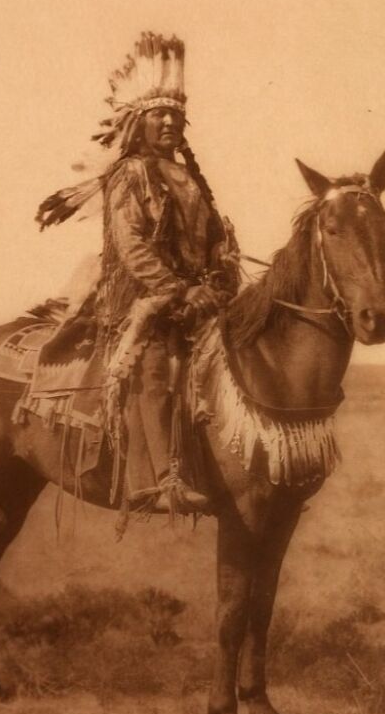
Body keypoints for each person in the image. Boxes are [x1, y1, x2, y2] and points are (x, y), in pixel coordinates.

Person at [36, 33, 239, 514]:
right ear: (137, 122)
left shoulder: (189, 178)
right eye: (158, 114)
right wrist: (178, 291)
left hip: (198, 298)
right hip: (143, 302)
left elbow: (214, 239)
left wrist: (220, 274)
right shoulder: (128, 175)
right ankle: (159, 480)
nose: (169, 121)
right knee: (154, 366)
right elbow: (131, 246)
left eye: (175, 115)